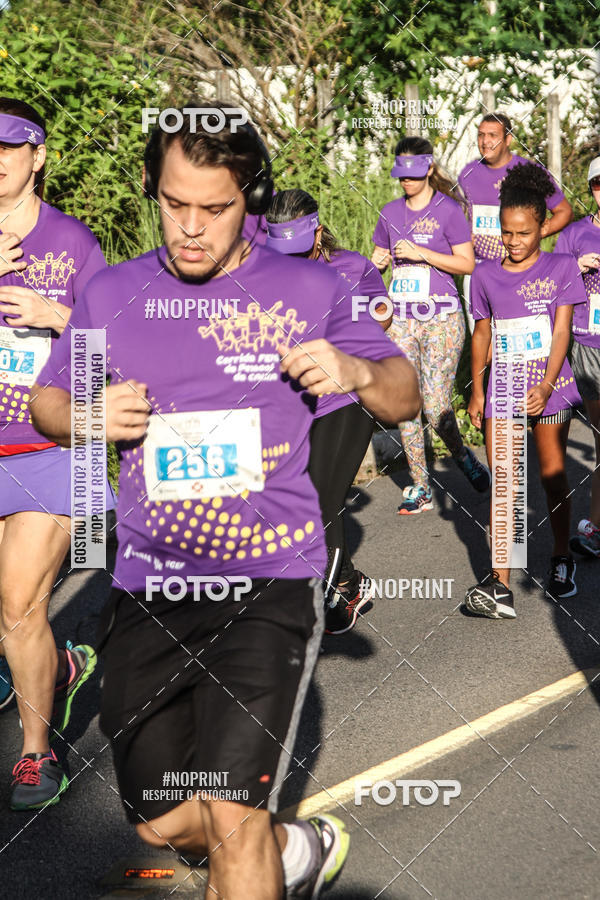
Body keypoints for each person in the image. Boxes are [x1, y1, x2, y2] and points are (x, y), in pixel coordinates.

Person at [30, 102, 421, 899]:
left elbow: (405, 395)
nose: (193, 228)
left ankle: (261, 847)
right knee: (157, 819)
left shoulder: (310, 288)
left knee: (234, 820)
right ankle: (297, 849)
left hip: (270, 582)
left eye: (217, 207)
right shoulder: (110, 296)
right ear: (152, 189)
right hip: (149, 587)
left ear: (250, 197)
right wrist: (88, 416)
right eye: (176, 204)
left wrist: (355, 374)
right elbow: (48, 401)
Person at [0, 98, 111, 810]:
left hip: (49, 448)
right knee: (15, 614)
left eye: (9, 148)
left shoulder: (74, 245)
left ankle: (37, 756)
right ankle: (62, 666)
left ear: (37, 156)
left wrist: (55, 315)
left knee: (18, 604)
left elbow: (114, 345)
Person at [265, 188, 390, 634]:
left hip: (348, 397)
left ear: (318, 233)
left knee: (323, 500)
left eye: (299, 250)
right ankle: (352, 582)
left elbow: (382, 313)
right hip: (296, 404)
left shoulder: (352, 267)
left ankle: (327, 596)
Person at [465, 163, 586, 619]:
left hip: (550, 386)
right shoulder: (483, 275)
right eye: (506, 233)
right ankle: (500, 584)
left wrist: (547, 383)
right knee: (505, 486)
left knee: (553, 477)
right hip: (504, 388)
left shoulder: (561, 267)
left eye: (523, 232)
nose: (513, 242)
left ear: (543, 226)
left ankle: (560, 557)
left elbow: (561, 334)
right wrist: (477, 392)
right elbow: (482, 335)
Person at [371, 135, 490, 515]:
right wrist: (376, 264)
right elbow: (377, 259)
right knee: (407, 401)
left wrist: (422, 253)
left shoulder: (448, 211)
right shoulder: (389, 213)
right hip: (401, 319)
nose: (405, 182)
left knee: (437, 403)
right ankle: (419, 485)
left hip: (440, 317)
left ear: (428, 170)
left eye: (412, 175)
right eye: (401, 176)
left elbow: (467, 264)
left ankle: (461, 455)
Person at [458, 112, 573, 333]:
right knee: (483, 338)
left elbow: (564, 212)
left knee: (513, 334)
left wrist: (533, 236)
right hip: (478, 269)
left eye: (493, 135)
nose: (485, 141)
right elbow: (461, 216)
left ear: (508, 139)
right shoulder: (468, 173)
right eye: (481, 135)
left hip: (518, 269)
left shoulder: (528, 172)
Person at [555, 157, 600, 558]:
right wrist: (575, 265)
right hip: (588, 344)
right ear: (591, 189)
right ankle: (596, 527)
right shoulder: (575, 234)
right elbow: (547, 280)